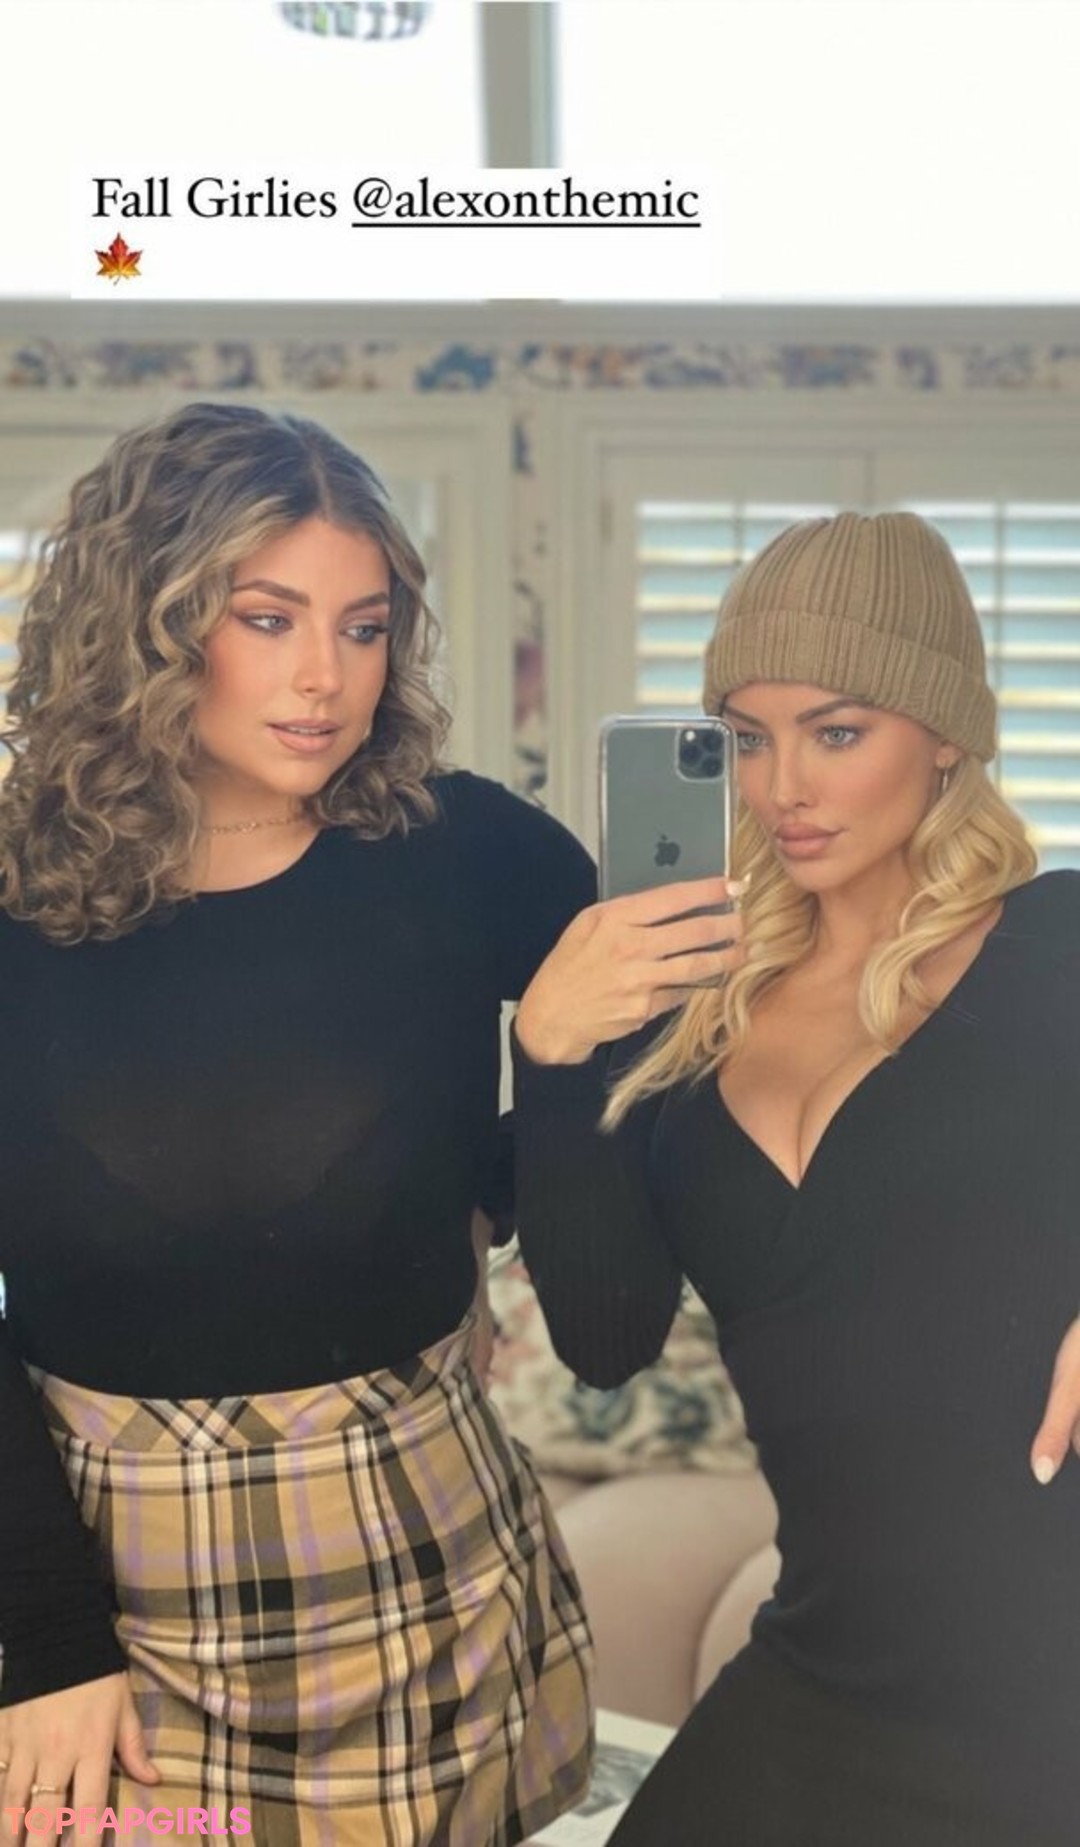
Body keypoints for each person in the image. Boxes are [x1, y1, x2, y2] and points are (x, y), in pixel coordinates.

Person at [0, 402, 594, 1846]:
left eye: (364, 627)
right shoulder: (12, 903)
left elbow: (683, 1085)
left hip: (426, 1560)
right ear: (146, 622)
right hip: (107, 1598)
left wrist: (493, 1172)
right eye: (267, 619)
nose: (327, 677)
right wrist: (47, 1638)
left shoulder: (468, 852)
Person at [511, 511, 1080, 1846]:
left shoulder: (1058, 943)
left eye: (836, 732)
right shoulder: (681, 1011)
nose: (784, 790)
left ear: (945, 736)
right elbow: (604, 1339)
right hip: (829, 1670)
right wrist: (551, 1055)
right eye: (748, 738)